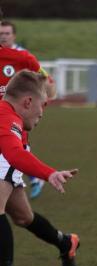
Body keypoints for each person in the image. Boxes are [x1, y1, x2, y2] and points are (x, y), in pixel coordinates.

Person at [0, 70, 79, 266]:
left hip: (7, 156)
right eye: (42, 105)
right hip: (9, 153)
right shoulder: (8, 113)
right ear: (27, 102)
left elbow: (14, 154)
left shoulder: (9, 118)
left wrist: (48, 173)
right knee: (24, 217)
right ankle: (66, 242)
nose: (42, 113)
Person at [0, 20, 46, 198]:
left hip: (13, 119)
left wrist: (37, 106)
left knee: (14, 150)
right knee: (23, 216)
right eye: (1, 33)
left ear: (14, 36)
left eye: (7, 33)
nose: (3, 36)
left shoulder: (22, 57)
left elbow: (45, 81)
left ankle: (37, 177)